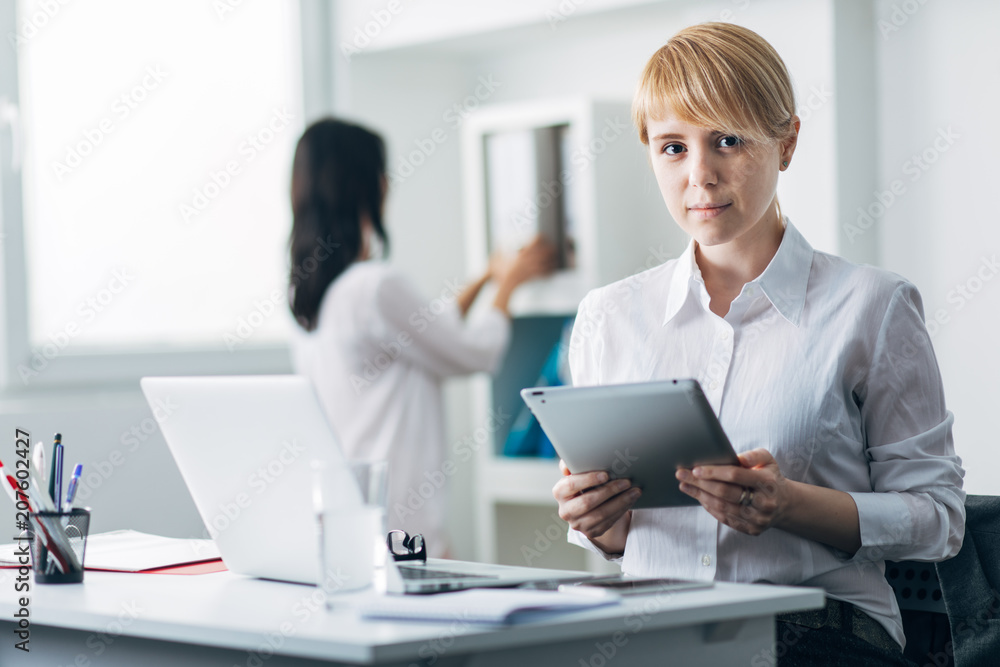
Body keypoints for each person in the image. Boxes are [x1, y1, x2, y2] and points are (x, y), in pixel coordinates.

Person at [552, 22, 964, 666]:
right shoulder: (608, 317)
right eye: (672, 148)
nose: (701, 176)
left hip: (815, 631)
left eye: (727, 140)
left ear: (787, 142)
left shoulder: (874, 306)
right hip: (657, 632)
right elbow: (620, 539)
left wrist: (791, 506)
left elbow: (940, 519)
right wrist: (600, 524)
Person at [289, 118, 554, 557]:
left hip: (351, 522)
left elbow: (425, 330)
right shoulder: (376, 286)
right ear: (371, 185)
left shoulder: (313, 295)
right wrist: (510, 284)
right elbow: (474, 352)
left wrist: (488, 275)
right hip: (404, 530)